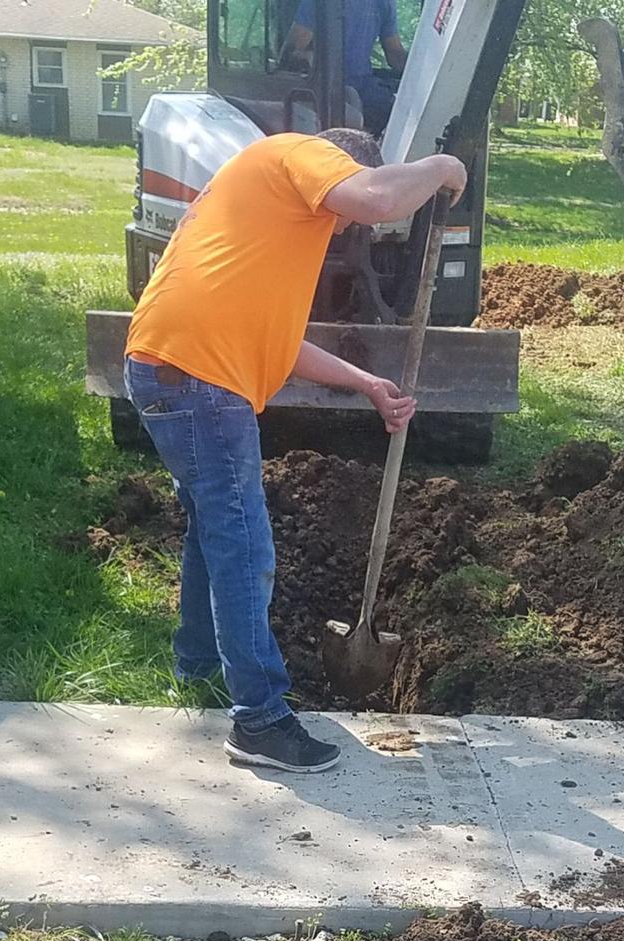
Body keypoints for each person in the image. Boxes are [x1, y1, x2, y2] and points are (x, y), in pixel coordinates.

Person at [123, 128, 466, 774]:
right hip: (200, 379)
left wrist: (365, 384)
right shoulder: (301, 156)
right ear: (340, 164)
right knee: (244, 543)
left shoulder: (264, 205)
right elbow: (375, 198)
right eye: (341, 217)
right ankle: (259, 720)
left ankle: (197, 666)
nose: (342, 231)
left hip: (164, 366)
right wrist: (441, 166)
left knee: (211, 528)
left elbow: (281, 341)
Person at [282, 0, 406, 134]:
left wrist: (279, 63)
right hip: (364, 97)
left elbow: (294, 49)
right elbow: (396, 57)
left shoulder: (317, 3)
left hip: (323, 95)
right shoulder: (383, 3)